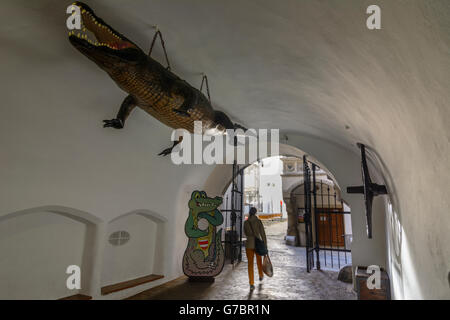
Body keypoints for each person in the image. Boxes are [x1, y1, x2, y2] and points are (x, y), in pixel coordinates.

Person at [243, 207, 267, 290]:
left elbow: (245, 233)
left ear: (249, 213)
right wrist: (265, 245)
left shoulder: (246, 222)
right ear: (256, 213)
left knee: (250, 264)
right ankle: (260, 275)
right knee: (259, 261)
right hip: (258, 244)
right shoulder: (258, 221)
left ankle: (251, 283)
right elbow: (263, 234)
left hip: (249, 244)